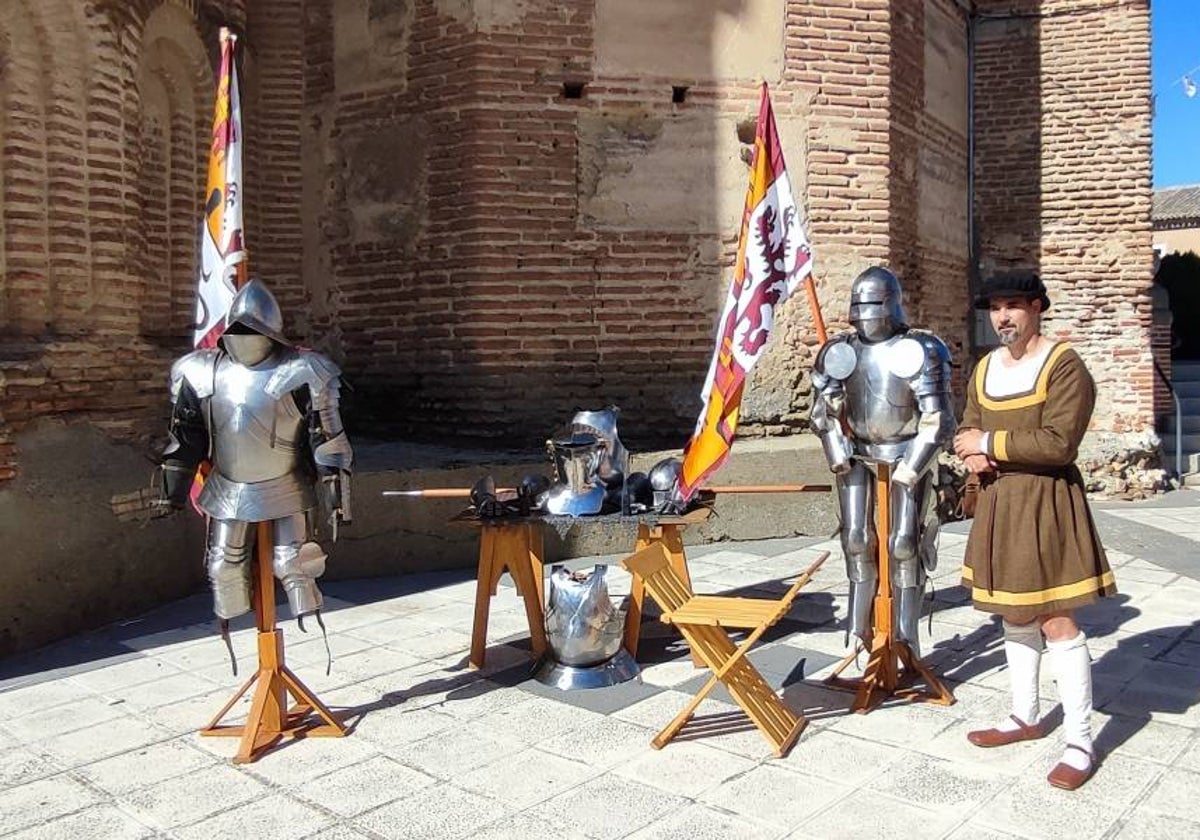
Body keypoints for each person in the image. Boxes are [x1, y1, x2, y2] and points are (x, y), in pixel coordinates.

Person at [954, 271, 1116, 791]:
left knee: (1057, 623)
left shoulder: (1063, 365)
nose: (1002, 317)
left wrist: (989, 444)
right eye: (995, 308)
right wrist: (969, 451)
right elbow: (966, 428)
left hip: (1047, 500)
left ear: (1037, 307)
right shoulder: (984, 369)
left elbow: (1057, 444)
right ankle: (1024, 716)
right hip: (999, 501)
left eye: (1012, 306)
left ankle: (1080, 742)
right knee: (1014, 614)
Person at [159, 279, 353, 632]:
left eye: (252, 328)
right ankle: (235, 627)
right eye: (238, 328)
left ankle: (302, 624)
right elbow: (185, 438)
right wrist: (171, 492)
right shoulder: (199, 369)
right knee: (222, 567)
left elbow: (328, 441)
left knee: (293, 564)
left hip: (286, 483)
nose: (244, 336)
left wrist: (337, 500)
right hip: (227, 486)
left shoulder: (304, 369)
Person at [810, 266, 955, 655]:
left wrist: (912, 468)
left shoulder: (921, 349)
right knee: (855, 538)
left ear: (891, 304)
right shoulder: (840, 351)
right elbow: (821, 411)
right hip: (857, 452)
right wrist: (837, 451)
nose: (864, 312)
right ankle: (859, 630)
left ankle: (907, 635)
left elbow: (939, 419)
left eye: (872, 303)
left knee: (904, 543)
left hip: (907, 452)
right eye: (859, 304)